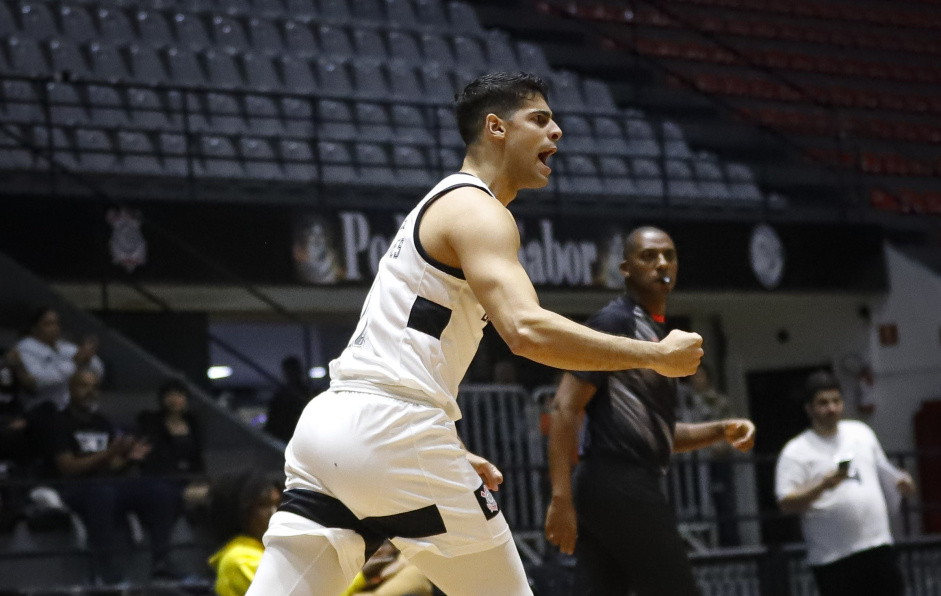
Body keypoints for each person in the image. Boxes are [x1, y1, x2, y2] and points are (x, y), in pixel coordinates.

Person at [247, 72, 703, 596]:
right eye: (540, 119)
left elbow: (405, 345)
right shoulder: (478, 208)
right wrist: (655, 356)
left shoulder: (440, 204)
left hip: (329, 429)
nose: (556, 132)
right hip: (392, 431)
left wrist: (442, 447)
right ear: (495, 127)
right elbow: (526, 330)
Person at [544, 227, 755, 596]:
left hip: (615, 486)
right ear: (625, 268)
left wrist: (721, 429)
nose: (662, 263)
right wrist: (560, 499)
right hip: (618, 484)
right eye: (648, 256)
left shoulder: (656, 337)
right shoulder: (616, 323)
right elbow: (564, 406)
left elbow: (657, 434)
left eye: (669, 255)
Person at [775, 370, 916, 596]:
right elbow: (785, 500)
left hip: (876, 546)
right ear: (809, 408)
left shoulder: (861, 433)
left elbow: (885, 472)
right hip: (834, 557)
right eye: (823, 403)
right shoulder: (796, 451)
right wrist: (824, 484)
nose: (831, 408)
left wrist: (902, 483)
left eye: (836, 401)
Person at [49, 368, 179, 583]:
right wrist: (109, 453)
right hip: (73, 489)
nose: (90, 392)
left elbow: (113, 465)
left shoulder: (102, 422)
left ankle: (162, 563)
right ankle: (106, 572)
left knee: (159, 490)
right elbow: (67, 467)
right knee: (103, 492)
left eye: (94, 387)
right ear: (70, 389)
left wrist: (128, 457)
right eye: (83, 386)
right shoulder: (59, 422)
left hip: (106, 484)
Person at [680, 364, 740, 546]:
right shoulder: (683, 402)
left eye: (699, 376)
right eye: (692, 377)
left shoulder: (719, 402)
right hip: (691, 464)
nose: (696, 380)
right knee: (694, 506)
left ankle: (729, 545)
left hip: (716, 461)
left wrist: (716, 446)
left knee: (723, 502)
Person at [15, 307, 104, 412]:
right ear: (34, 328)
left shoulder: (63, 346)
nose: (55, 328)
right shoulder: (24, 348)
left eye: (57, 323)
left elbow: (97, 371)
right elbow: (38, 381)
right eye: (48, 324)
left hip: (70, 409)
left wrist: (88, 357)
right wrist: (74, 363)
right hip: (41, 409)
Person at [209, 470, 282, 596]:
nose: (274, 514)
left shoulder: (266, 551)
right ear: (239, 511)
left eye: (277, 504)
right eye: (263, 505)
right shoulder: (242, 560)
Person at [264, 356, 312, 444]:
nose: (291, 374)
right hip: (287, 438)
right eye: (289, 371)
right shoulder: (280, 397)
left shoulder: (308, 394)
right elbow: (272, 422)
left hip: (303, 438)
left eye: (293, 370)